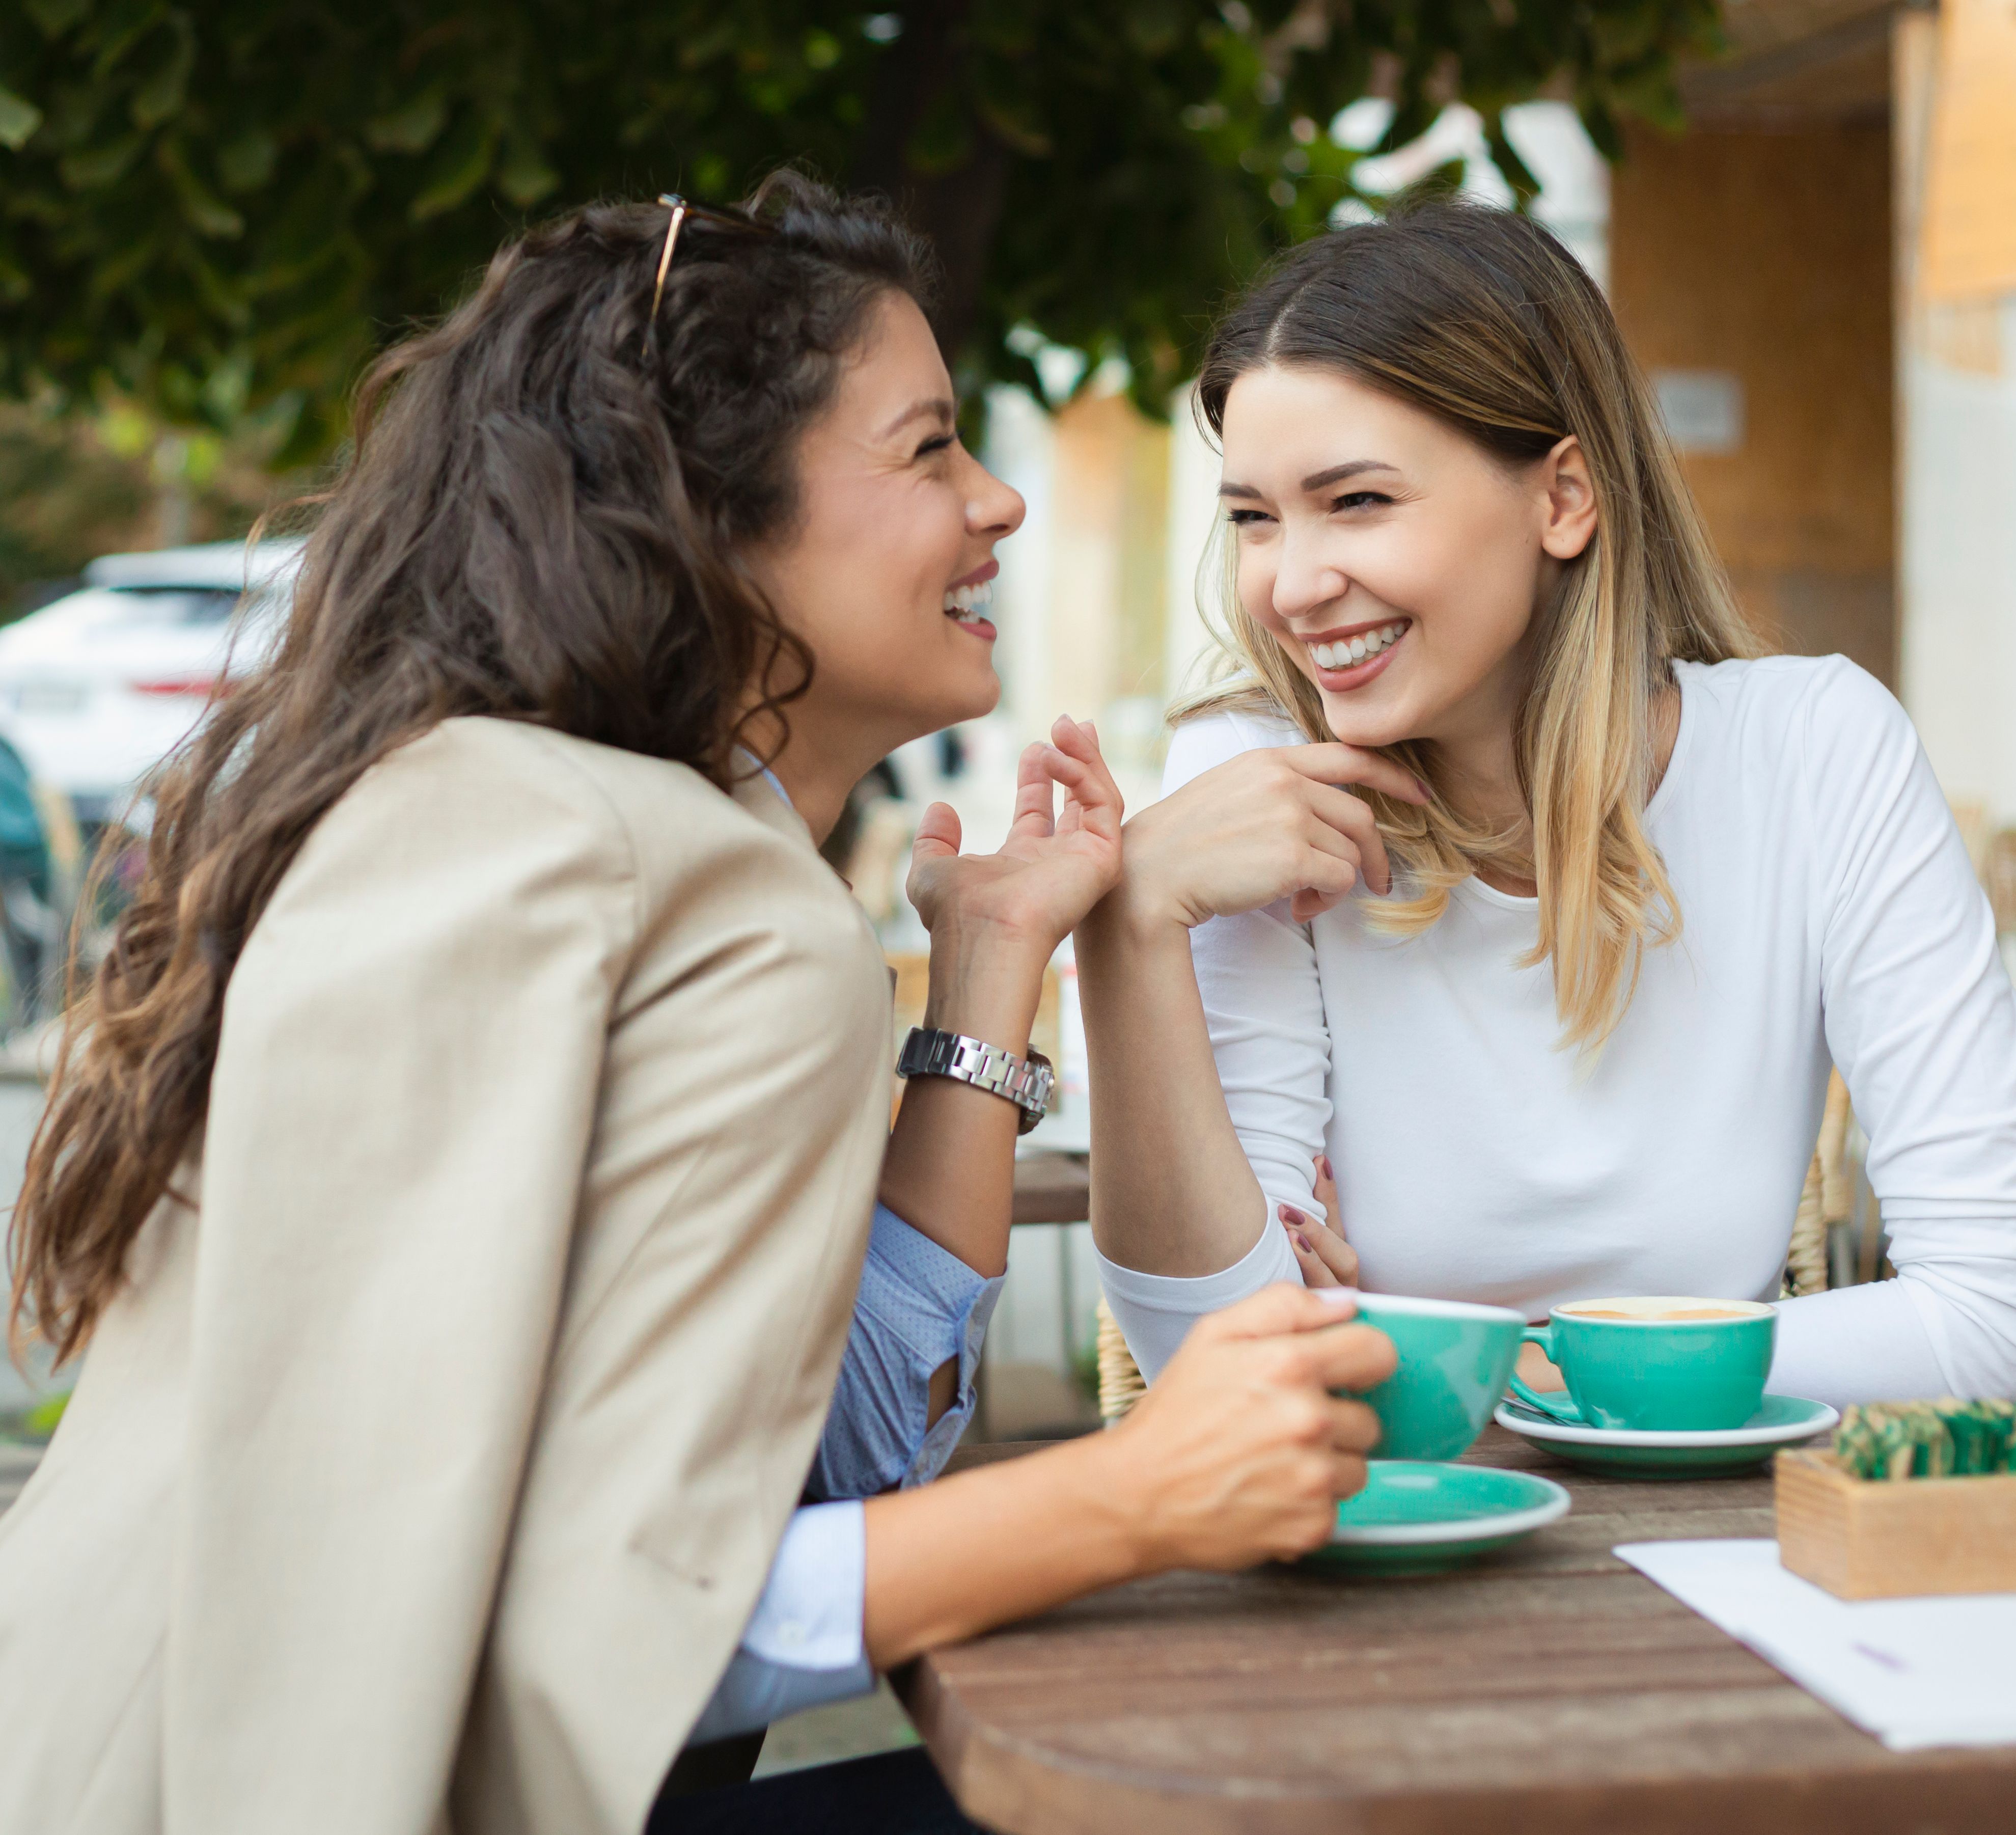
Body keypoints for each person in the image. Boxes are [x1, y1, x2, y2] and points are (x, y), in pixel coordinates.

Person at [0, 178, 1394, 1835]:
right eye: (929, 446)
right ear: (712, 507)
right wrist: (1136, 1494)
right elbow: (566, 1608)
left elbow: (837, 1448)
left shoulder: (662, 851)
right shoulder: (558, 853)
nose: (1001, 499)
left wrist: (993, 962)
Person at [1079, 197, 2016, 1411]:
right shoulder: (1253, 784)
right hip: (1390, 1532)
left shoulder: (1814, 750)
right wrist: (1130, 921)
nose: (1291, 585)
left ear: (1564, 498)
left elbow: (2001, 1315)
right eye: (1253, 519)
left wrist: (1482, 1364)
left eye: (1358, 502)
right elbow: (1223, 1366)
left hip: (1723, 1530)